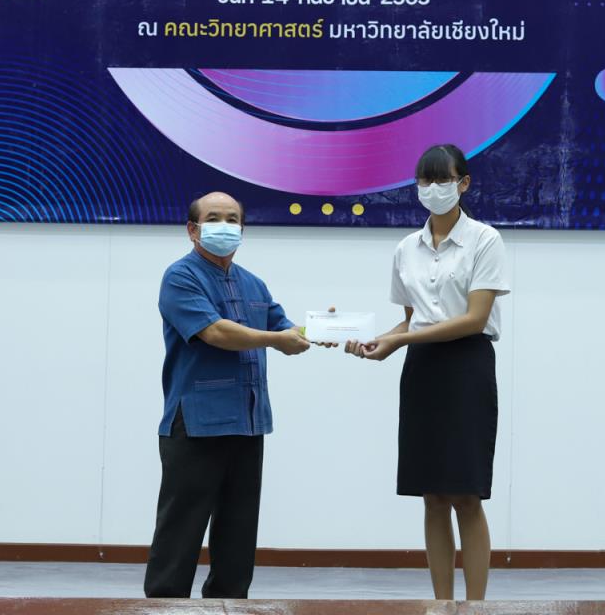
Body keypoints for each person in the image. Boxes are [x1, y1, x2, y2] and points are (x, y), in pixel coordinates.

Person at [345, 144, 510, 601]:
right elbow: (410, 320)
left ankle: (474, 607)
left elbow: (475, 319)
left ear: (464, 183)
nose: (433, 189)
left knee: (466, 494)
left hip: (467, 367)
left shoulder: (485, 240)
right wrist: (378, 341)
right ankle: (441, 605)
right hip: (422, 371)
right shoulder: (406, 248)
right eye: (425, 180)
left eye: (443, 179)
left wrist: (402, 340)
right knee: (432, 496)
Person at [144, 191, 313, 599]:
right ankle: (164, 606)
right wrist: (277, 339)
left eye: (233, 219)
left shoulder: (253, 283)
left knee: (238, 530)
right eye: (214, 218)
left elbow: (285, 327)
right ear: (192, 229)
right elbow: (216, 332)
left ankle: (230, 604)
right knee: (181, 529)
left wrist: (327, 330)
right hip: (196, 422)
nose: (225, 226)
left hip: (248, 420)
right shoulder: (180, 277)